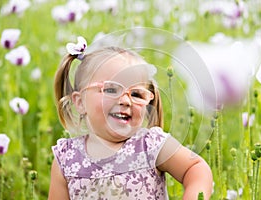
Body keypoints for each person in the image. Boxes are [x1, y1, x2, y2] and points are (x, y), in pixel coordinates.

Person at [48, 36, 213, 200]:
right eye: (111, 90)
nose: (126, 101)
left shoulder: (150, 145)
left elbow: (195, 168)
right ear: (80, 102)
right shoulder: (67, 159)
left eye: (136, 94)